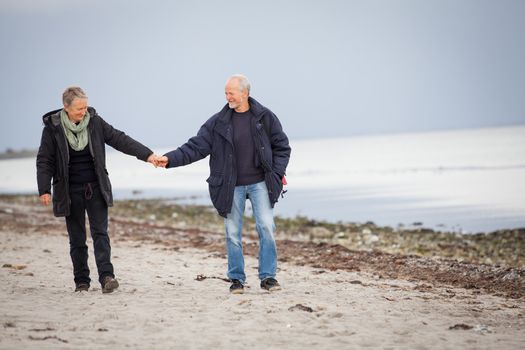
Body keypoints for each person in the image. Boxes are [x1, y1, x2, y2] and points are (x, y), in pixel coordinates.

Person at [158, 74, 291, 294]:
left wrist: (276, 174)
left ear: (245, 93)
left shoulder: (265, 117)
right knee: (232, 233)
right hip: (230, 186)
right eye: (226, 93)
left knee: (266, 227)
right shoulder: (218, 122)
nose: (227, 97)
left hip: (261, 183)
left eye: (231, 92)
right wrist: (169, 159)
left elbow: (282, 147)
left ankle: (268, 277)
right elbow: (195, 147)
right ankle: (236, 279)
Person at [36, 86, 160, 293]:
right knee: (77, 239)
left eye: (85, 107)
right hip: (69, 191)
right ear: (66, 107)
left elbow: (120, 139)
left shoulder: (94, 122)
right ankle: (82, 282)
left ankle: (106, 277)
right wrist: (44, 188)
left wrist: (147, 155)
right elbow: (44, 160)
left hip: (95, 188)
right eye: (79, 109)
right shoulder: (53, 128)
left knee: (101, 234)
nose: (83, 112)